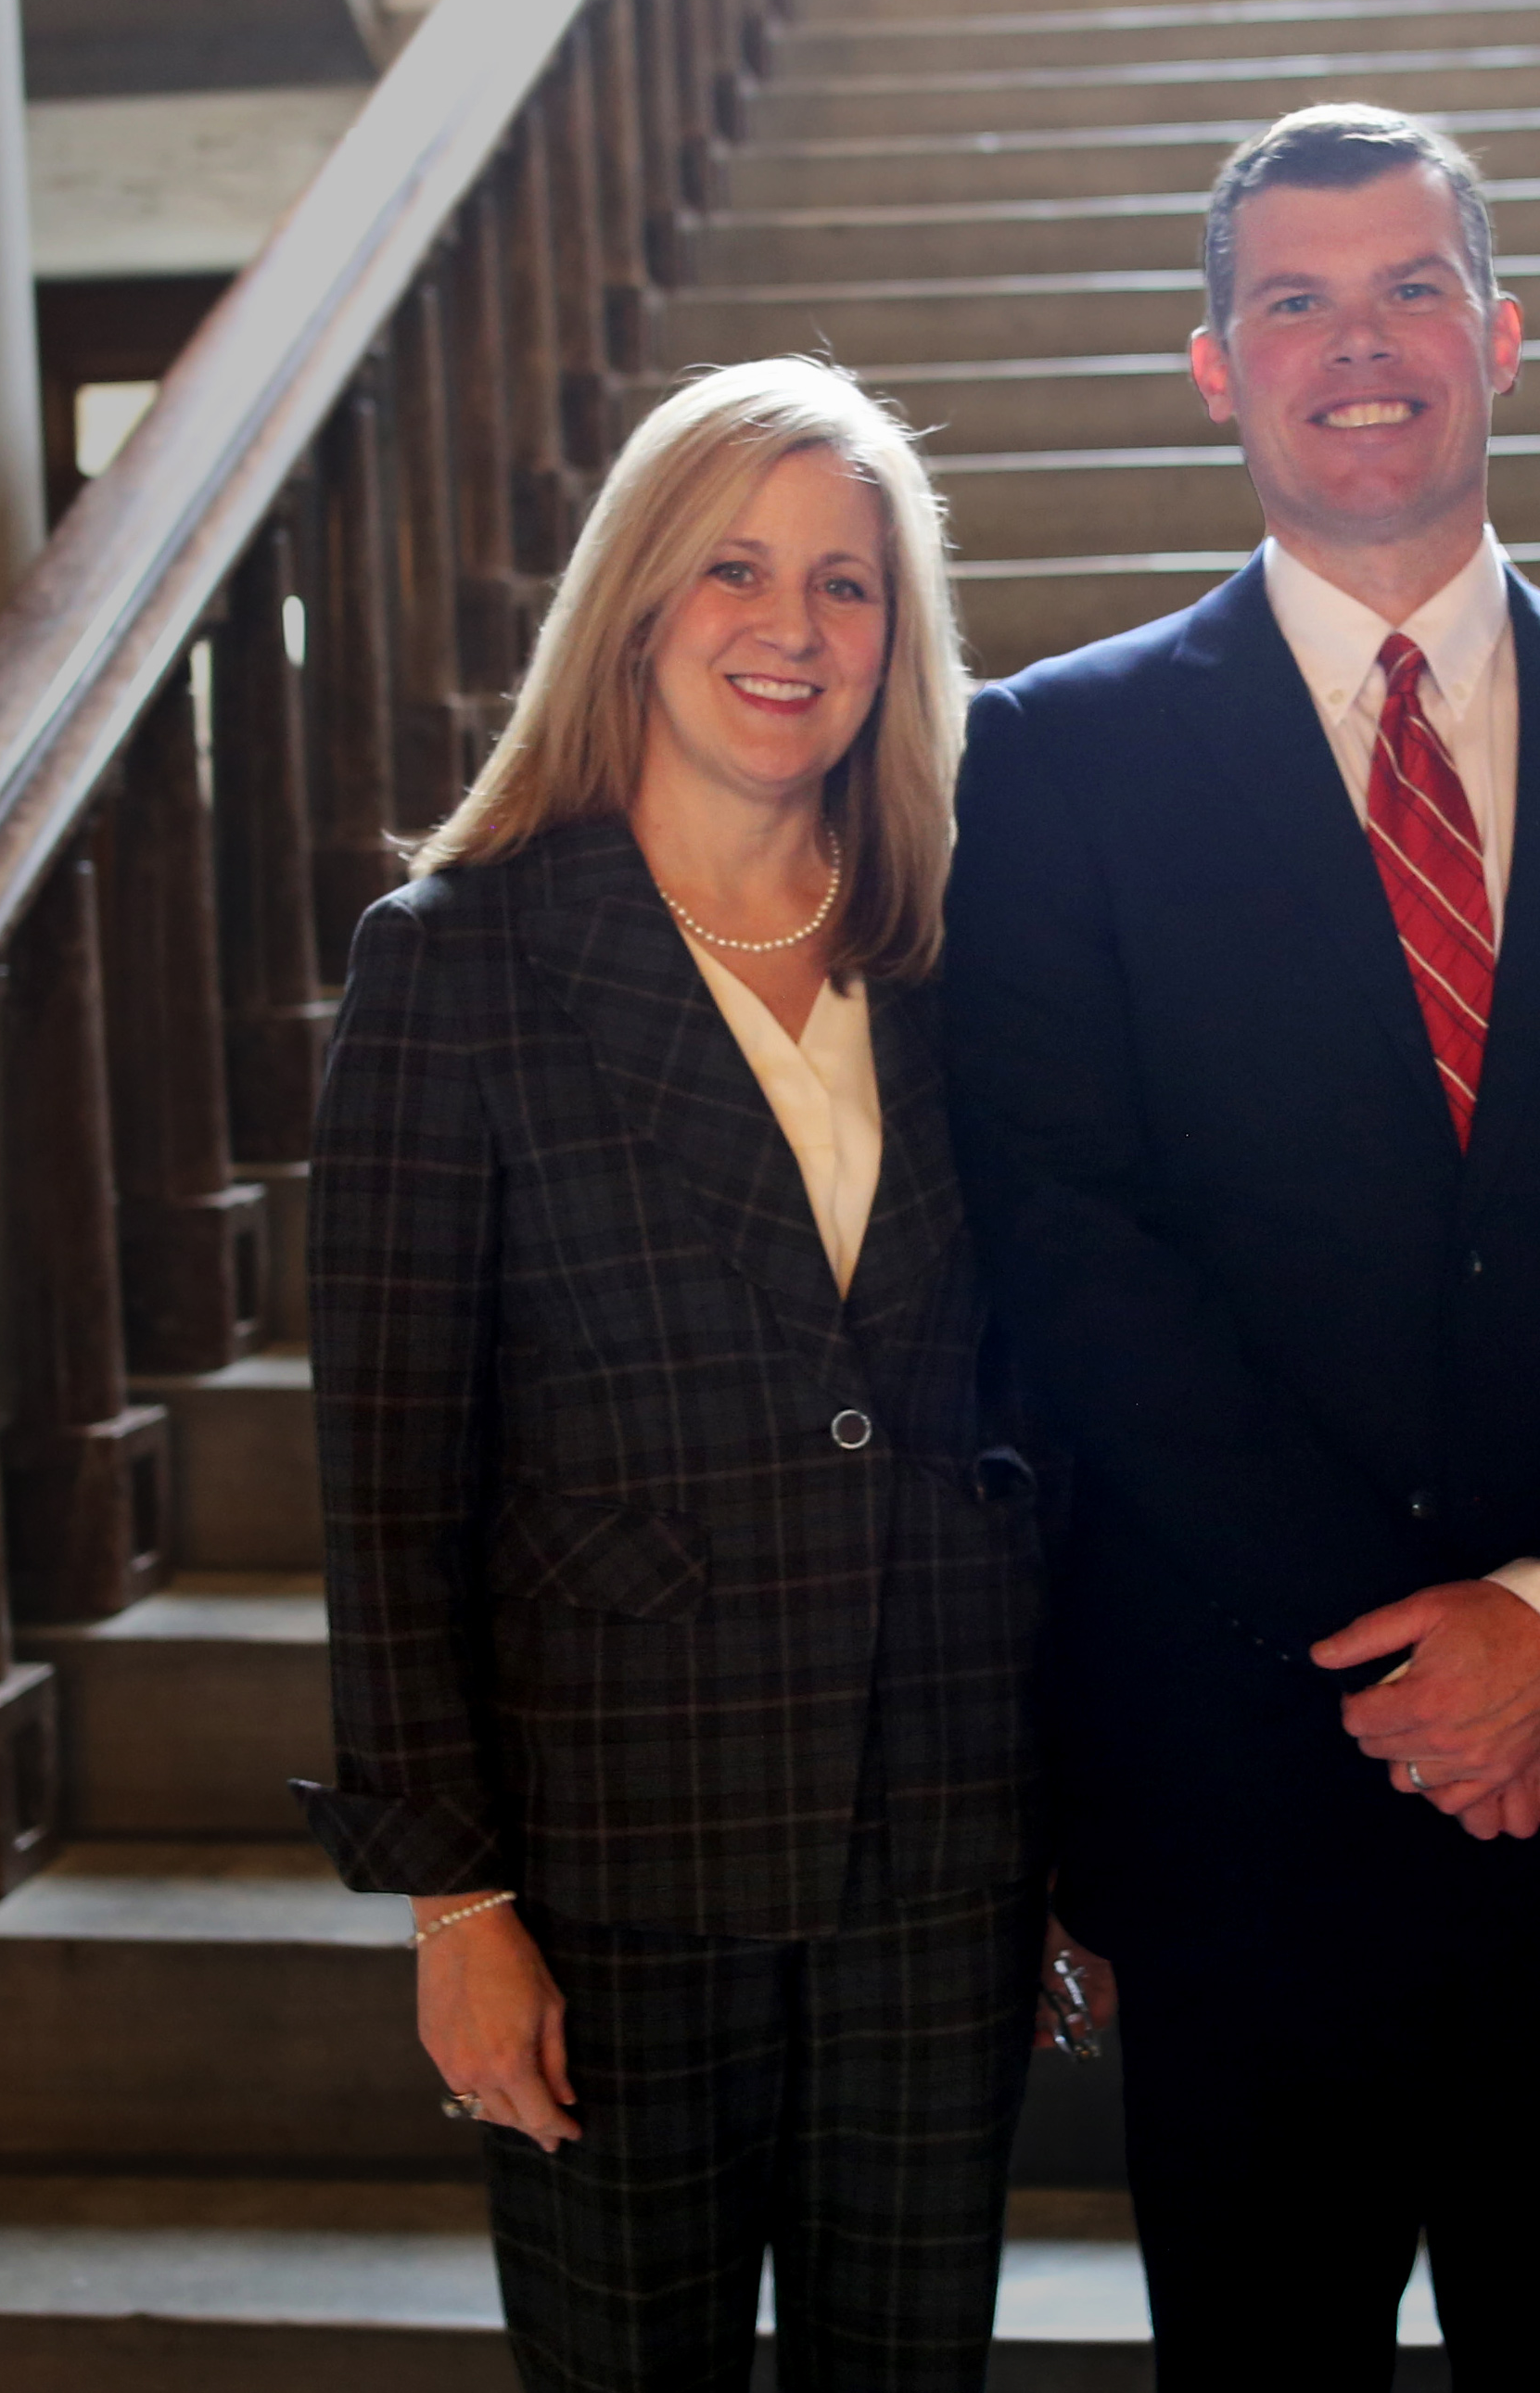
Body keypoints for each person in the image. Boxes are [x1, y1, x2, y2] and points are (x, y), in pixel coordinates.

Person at [938, 103, 1540, 2388]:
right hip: (1241, 1783)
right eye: (1298, 301)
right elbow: (1067, 1245)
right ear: (1214, 367)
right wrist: (1409, 1657)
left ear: (1503, 335)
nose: (1363, 343)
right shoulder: (1053, 757)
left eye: (1413, 285)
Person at [297, 356, 1058, 2390]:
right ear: (636, 601)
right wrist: (453, 1901)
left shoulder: (954, 951)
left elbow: (1032, 1407)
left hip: (938, 1840)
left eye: (848, 584)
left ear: (902, 636)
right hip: (610, 1857)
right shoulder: (456, 963)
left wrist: (1068, 1829)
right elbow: (385, 1486)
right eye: (736, 570)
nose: (792, 631)